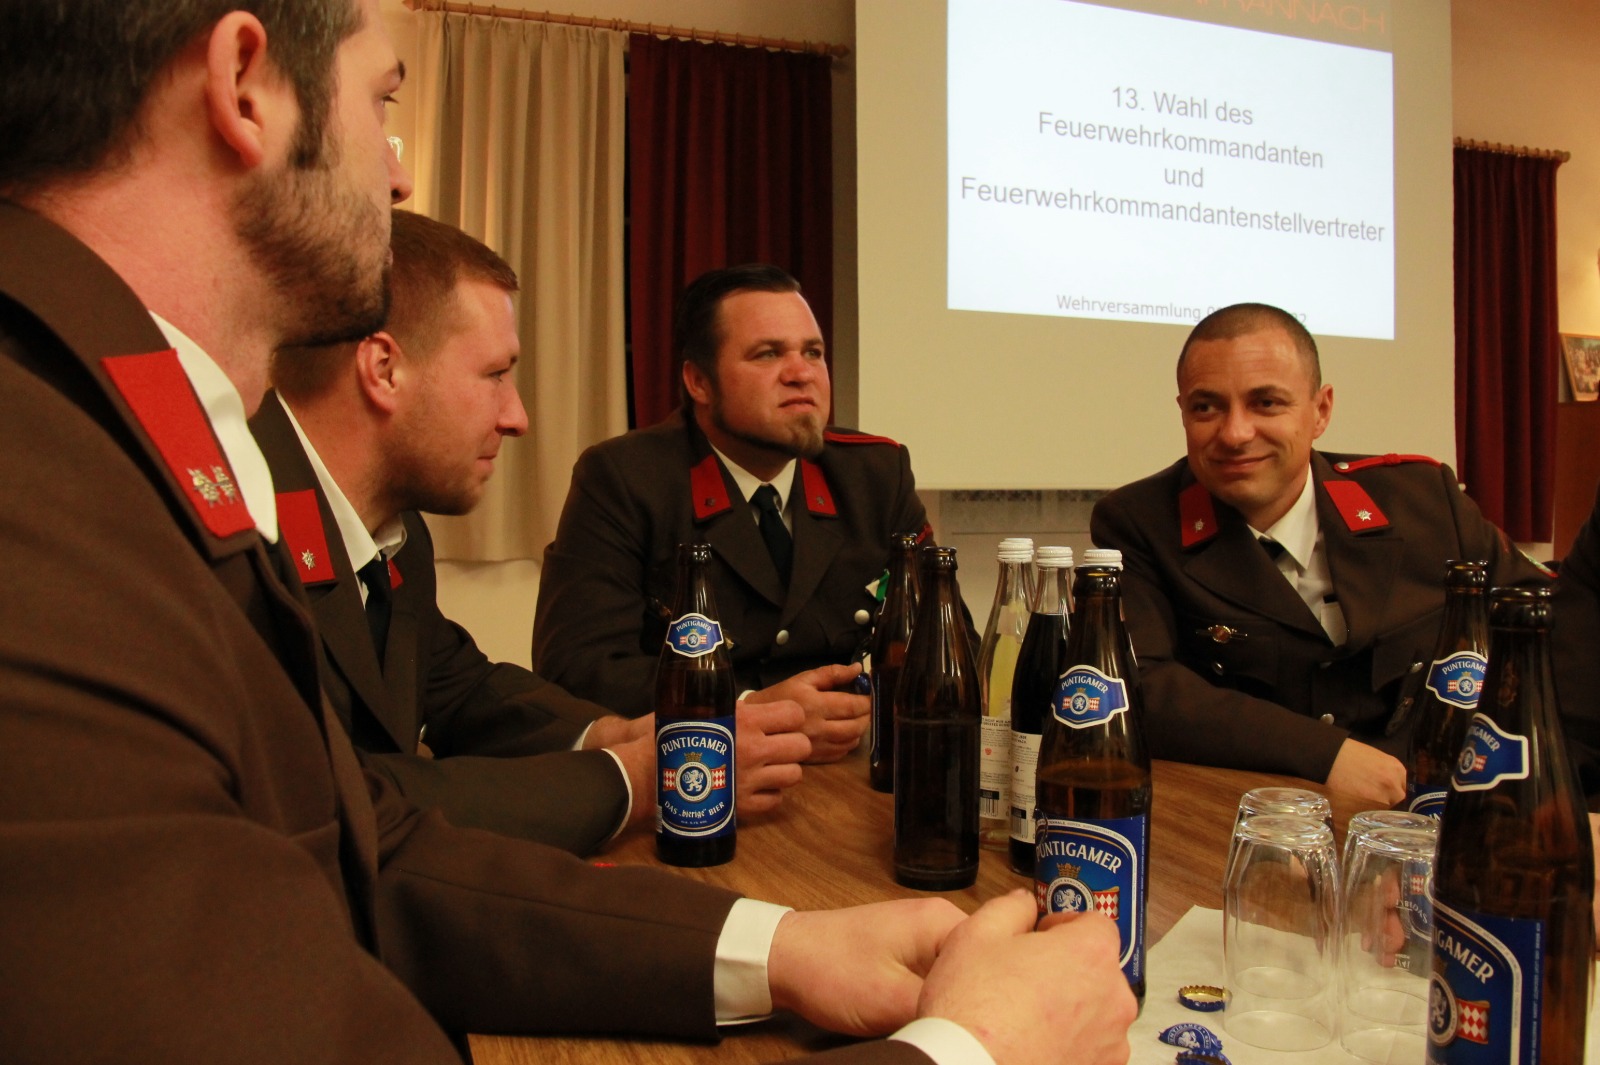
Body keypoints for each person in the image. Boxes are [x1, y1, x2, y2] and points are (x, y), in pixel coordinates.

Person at [0, 2, 1137, 1063]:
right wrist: (969, 1049)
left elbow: (363, 848)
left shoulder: (116, 448)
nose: (397, 173)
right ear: (246, 85)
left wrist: (780, 948)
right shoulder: (42, 486)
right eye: (383, 101)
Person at [256, 209, 816, 854]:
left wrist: (618, 735)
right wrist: (636, 778)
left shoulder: (393, 524)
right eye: (496, 374)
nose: (517, 416)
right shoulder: (238, 538)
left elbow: (458, 687)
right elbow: (332, 799)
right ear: (384, 369)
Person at [1091, 303, 1545, 808]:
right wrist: (1327, 755)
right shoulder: (1139, 522)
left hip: (1446, 808)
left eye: (1266, 403)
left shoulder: (1424, 501)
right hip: (1256, 819)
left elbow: (1543, 626)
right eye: (1206, 408)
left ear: (1321, 411)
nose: (1235, 433)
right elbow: (1141, 686)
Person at [532, 264, 936, 760]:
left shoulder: (875, 472)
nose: (802, 373)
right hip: (700, 767)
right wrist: (747, 710)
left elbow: (943, 637)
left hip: (852, 760)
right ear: (699, 382)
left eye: (813, 352)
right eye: (768, 354)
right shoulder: (626, 478)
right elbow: (577, 669)